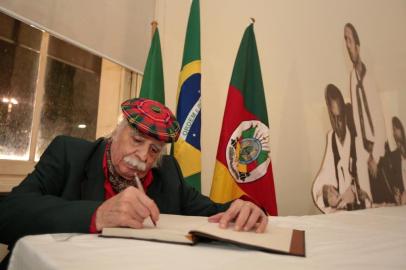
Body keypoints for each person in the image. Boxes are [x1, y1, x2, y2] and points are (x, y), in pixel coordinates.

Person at [0, 98, 268, 268]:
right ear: (115, 133)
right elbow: (8, 214)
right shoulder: (69, 153)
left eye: (154, 150)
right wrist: (98, 215)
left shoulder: (168, 173)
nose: (143, 157)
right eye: (137, 140)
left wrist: (245, 208)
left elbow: (212, 213)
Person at [344, 23, 390, 204]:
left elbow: (379, 120)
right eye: (345, 40)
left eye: (349, 39)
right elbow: (356, 118)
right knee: (370, 205)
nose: (347, 45)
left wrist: (376, 157)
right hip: (364, 154)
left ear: (358, 45)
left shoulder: (370, 77)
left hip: (378, 154)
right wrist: (363, 157)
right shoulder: (351, 77)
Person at [312, 84, 370, 213]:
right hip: (342, 214)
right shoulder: (332, 137)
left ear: (345, 115)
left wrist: (356, 193)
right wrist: (326, 192)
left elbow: (369, 187)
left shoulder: (357, 138)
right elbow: (323, 180)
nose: (337, 124)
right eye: (333, 118)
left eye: (340, 118)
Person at [389, 116, 406, 205]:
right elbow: (396, 185)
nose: (394, 133)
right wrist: (397, 195)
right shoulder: (394, 157)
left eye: (396, 129)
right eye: (393, 130)